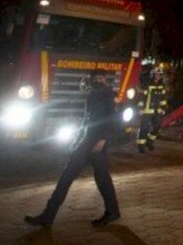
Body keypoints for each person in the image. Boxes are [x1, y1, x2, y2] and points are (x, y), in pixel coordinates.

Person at [24, 69, 121, 228]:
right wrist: (77, 139)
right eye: (96, 78)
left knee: (99, 179)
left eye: (102, 78)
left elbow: (113, 119)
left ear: (106, 80)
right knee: (69, 177)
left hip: (97, 144)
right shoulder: (92, 95)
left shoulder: (108, 95)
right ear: (91, 80)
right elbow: (86, 119)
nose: (99, 80)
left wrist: (103, 138)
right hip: (87, 141)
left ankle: (112, 212)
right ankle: (48, 216)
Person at [137, 67, 168, 152]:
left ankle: (149, 142)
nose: (158, 76)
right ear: (153, 75)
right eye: (156, 74)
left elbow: (163, 98)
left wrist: (163, 108)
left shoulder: (162, 85)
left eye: (160, 74)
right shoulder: (146, 84)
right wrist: (140, 108)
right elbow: (141, 97)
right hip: (146, 110)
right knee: (144, 128)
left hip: (157, 110)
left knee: (157, 127)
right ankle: (141, 145)